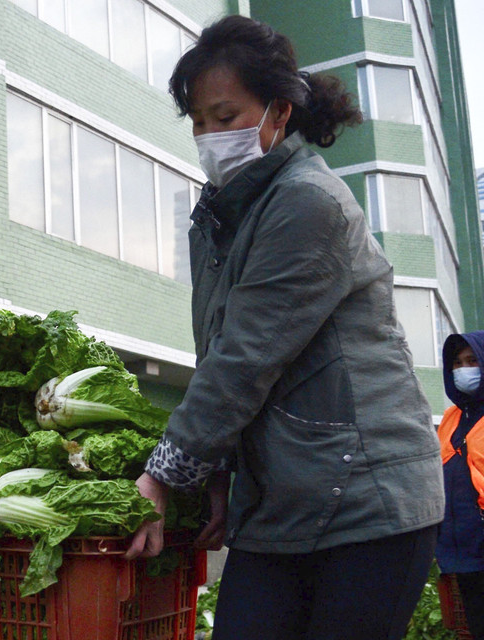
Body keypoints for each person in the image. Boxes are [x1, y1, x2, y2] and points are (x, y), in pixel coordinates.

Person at [124, 15, 444, 640]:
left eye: (225, 116)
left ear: (277, 113)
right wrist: (217, 476)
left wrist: (162, 475)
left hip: (367, 501)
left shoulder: (307, 203)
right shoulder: (222, 218)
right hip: (283, 501)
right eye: (198, 123)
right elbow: (217, 349)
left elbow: (244, 358)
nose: (210, 136)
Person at [436, 332, 484, 639]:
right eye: (456, 363)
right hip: (463, 552)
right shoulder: (451, 417)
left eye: (471, 361)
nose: (463, 370)